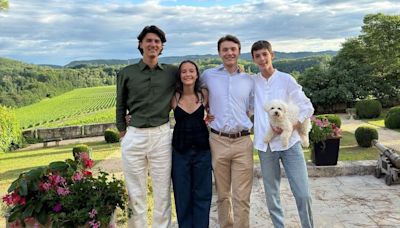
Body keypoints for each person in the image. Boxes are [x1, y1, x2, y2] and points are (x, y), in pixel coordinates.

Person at [116, 25, 178, 228]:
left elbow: (193, 83)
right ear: (141, 45)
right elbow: (120, 104)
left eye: (157, 42)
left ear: (162, 47)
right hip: (134, 136)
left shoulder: (172, 72)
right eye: (149, 41)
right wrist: (123, 132)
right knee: (135, 192)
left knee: (162, 191)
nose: (153, 44)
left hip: (161, 136)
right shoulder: (127, 72)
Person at [251, 40, 314, 228]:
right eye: (257, 56)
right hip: (266, 146)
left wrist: (293, 126)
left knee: (303, 192)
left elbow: (307, 106)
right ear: (254, 59)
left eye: (265, 54)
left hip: (291, 144)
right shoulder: (253, 82)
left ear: (272, 55)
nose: (262, 59)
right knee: (271, 194)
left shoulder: (286, 79)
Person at [200, 35, 254, 228]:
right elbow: (193, 93)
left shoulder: (249, 80)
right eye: (225, 50)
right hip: (218, 140)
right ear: (219, 53)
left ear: (239, 51)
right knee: (223, 195)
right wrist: (204, 109)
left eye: (233, 49)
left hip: (242, 141)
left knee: (242, 196)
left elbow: (254, 107)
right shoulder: (208, 75)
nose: (229, 53)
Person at [171, 60, 212, 228]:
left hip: (202, 151)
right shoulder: (173, 97)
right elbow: (153, 109)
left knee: (203, 194)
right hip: (180, 152)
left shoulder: (204, 94)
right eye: (184, 71)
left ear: (197, 74)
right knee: (182, 195)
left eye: (191, 71)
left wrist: (210, 117)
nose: (188, 74)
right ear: (179, 76)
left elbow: (214, 110)